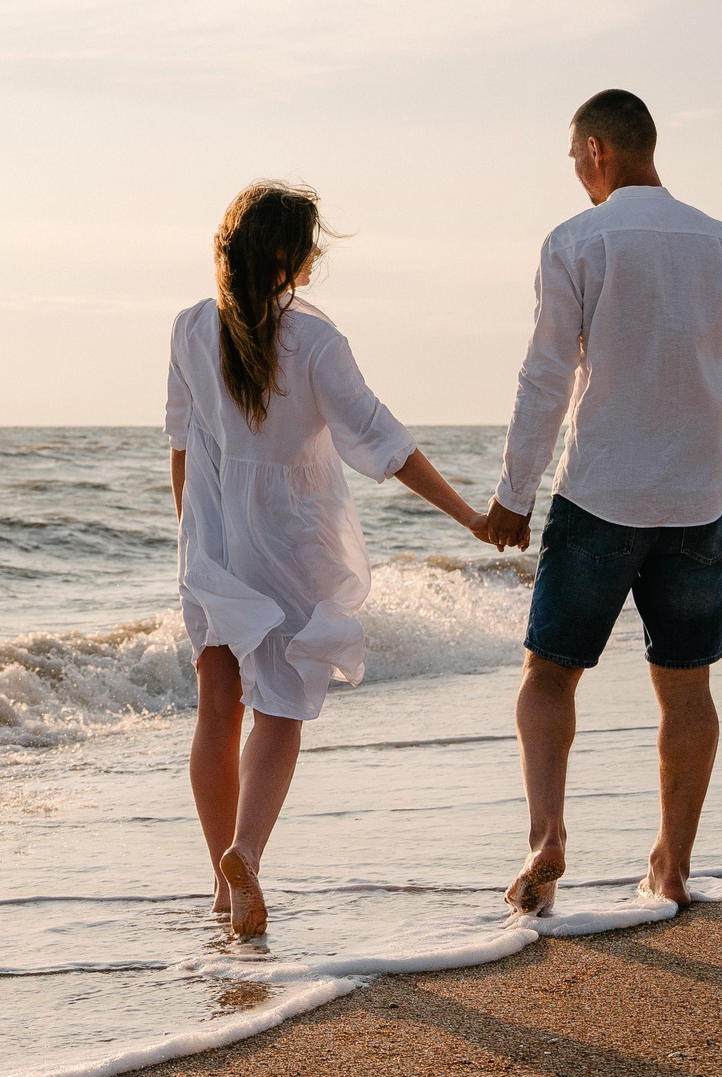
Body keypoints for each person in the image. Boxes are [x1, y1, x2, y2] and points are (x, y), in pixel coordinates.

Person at [473, 90, 722, 917]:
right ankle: (671, 868)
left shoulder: (578, 241)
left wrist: (512, 495)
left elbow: (545, 377)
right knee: (686, 689)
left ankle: (546, 837)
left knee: (547, 675)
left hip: (601, 494)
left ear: (599, 150)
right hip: (693, 501)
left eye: (575, 158)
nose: (576, 174)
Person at [167, 181, 488, 938]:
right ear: (295, 258)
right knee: (279, 707)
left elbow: (181, 450)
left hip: (212, 540)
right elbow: (386, 442)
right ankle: (244, 852)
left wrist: (199, 547)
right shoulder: (313, 339)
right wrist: (470, 514)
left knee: (218, 705)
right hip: (290, 539)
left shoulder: (187, 328)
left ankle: (222, 881)